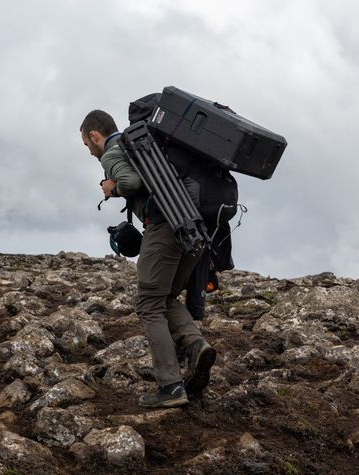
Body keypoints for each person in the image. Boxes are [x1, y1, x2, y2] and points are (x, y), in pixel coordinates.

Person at [80, 110, 217, 408]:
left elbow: (131, 183)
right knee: (165, 297)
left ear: (94, 135)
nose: (90, 153)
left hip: (165, 227)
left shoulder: (113, 152)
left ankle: (170, 386)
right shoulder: (148, 144)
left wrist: (112, 188)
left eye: (88, 145)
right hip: (195, 228)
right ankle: (196, 346)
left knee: (148, 304)